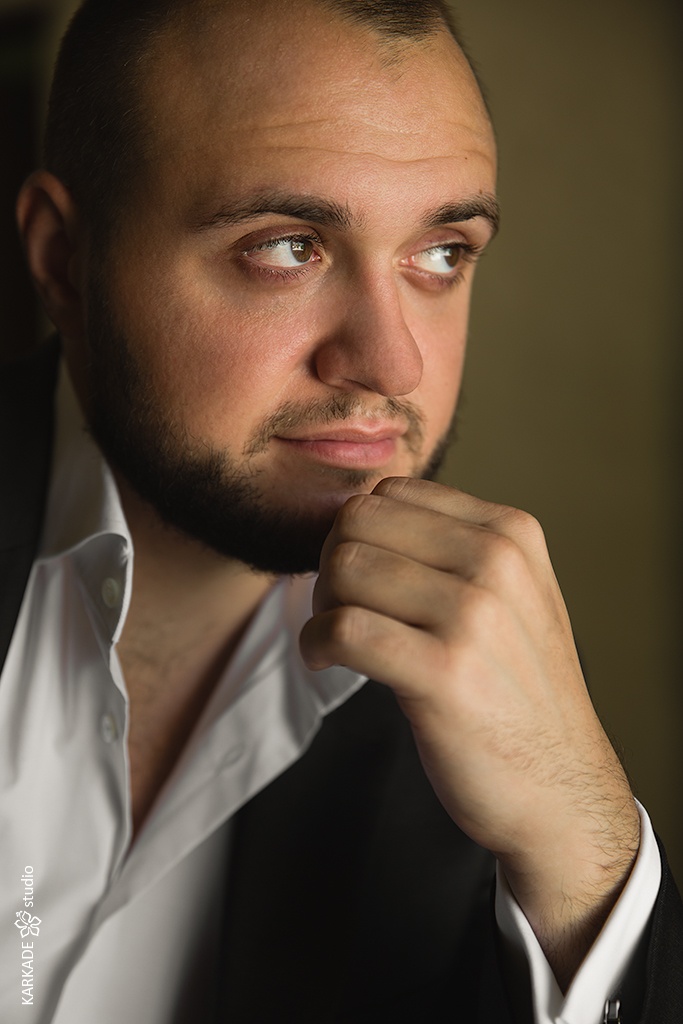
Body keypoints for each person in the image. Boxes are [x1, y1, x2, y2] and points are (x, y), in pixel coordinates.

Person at [1, 0, 681, 1021]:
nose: (392, 362)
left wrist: (580, 853)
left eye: (441, 252)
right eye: (287, 247)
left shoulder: (492, 725)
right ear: (63, 257)